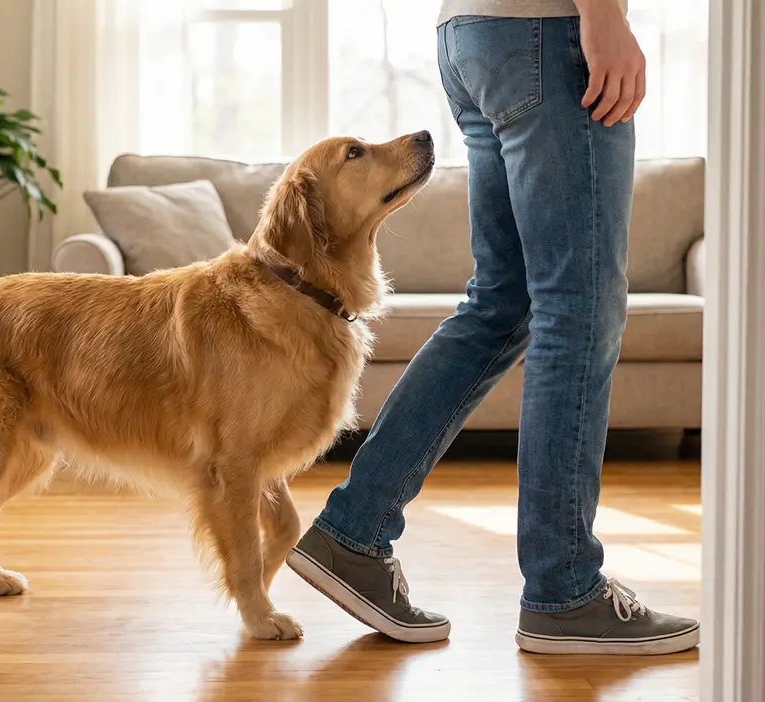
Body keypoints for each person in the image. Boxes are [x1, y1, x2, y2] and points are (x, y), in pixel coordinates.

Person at [285, 0, 700, 654]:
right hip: (545, 26)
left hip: (473, 32)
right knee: (576, 303)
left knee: (501, 301)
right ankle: (564, 589)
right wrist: (602, 14)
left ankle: (353, 531)